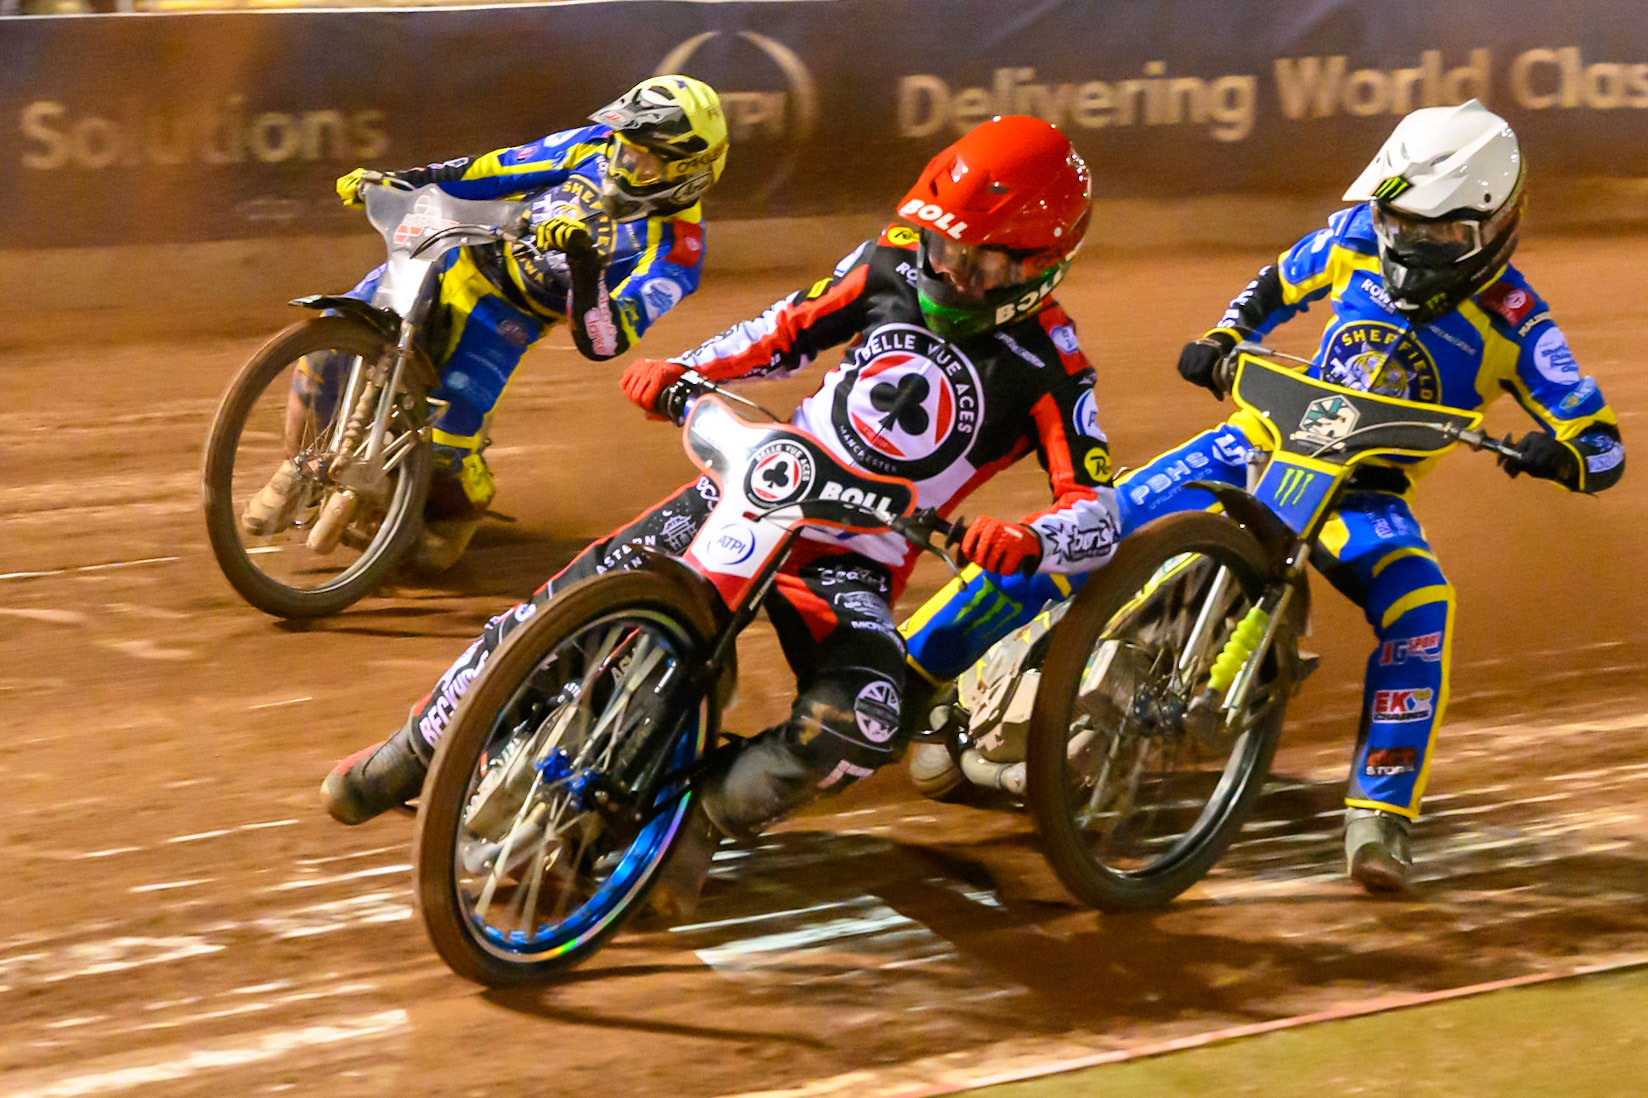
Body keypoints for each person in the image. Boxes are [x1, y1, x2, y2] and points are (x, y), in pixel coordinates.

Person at [321, 114, 1125, 916]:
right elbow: (783, 330)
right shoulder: (890, 258)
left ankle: (698, 823)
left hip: (856, 562)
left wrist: (1029, 538)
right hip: (754, 486)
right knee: (559, 606)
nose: (947, 275)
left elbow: (1098, 507)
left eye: (976, 263)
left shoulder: (1055, 368)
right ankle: (411, 750)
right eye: (940, 249)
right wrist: (687, 369)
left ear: (1040, 267)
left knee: (867, 726)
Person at [897, 100, 1625, 894]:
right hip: (1256, 443)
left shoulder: (1519, 323)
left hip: (1362, 496)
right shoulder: (1354, 241)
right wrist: (1222, 338)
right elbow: (1275, 285)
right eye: (1398, 223)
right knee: (1083, 530)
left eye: (1436, 232)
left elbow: (1602, 439)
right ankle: (904, 675)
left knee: (1422, 604)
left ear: (1492, 226)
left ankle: (1379, 817)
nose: (1409, 243)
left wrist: (1562, 453)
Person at [242, 75, 728, 573]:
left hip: (508, 318)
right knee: (332, 335)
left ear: (688, 173)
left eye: (645, 160)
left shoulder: (677, 251)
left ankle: (457, 510)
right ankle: (297, 467)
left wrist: (584, 265)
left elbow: (606, 340)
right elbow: (496, 168)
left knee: (444, 472)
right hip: (455, 252)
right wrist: (403, 180)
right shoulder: (592, 146)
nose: (624, 162)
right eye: (626, 148)